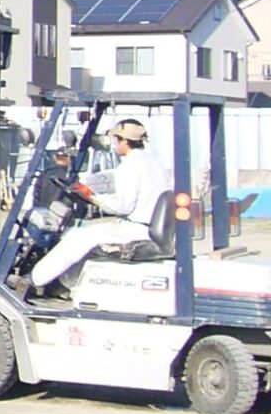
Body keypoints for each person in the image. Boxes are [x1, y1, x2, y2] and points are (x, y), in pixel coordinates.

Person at [27, 119, 171, 295]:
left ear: (125, 141)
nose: (115, 144)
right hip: (148, 226)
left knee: (77, 237)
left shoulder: (130, 166)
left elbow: (121, 207)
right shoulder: (153, 163)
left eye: (116, 139)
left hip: (136, 229)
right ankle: (64, 286)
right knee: (83, 237)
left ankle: (34, 280)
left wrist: (91, 197)